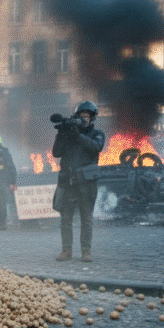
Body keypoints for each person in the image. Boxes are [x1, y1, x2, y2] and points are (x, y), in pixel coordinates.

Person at [52, 101, 106, 263]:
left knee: (86, 217)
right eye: (81, 116)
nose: (83, 119)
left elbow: (96, 147)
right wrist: (62, 134)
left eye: (86, 116)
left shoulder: (97, 133)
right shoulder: (68, 133)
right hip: (68, 181)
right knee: (66, 218)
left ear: (92, 118)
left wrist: (79, 136)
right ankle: (66, 250)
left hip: (87, 182)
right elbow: (56, 153)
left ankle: (86, 251)